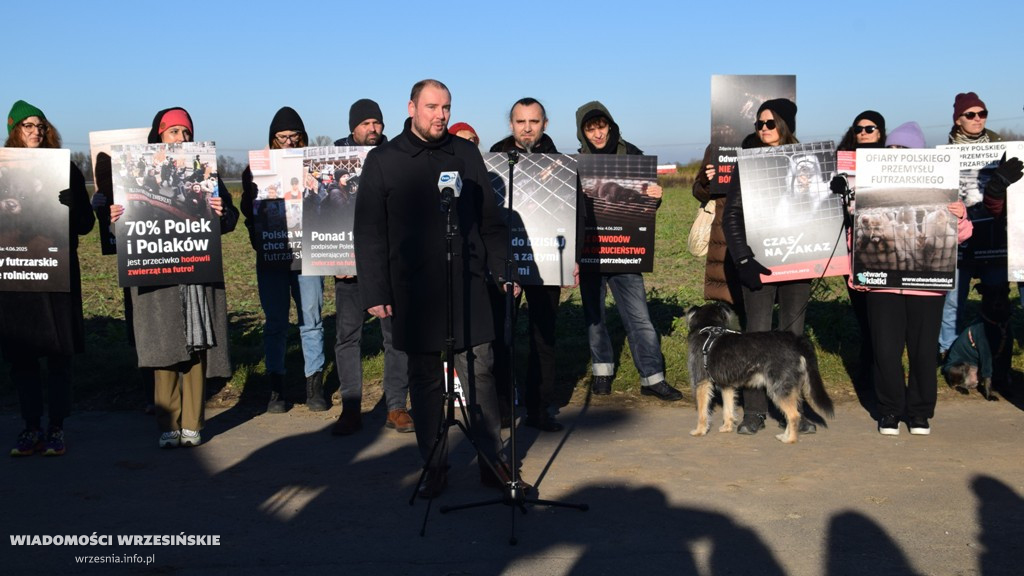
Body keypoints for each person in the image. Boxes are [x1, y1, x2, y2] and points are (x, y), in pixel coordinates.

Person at [355, 79, 514, 498]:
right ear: (411, 108)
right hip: (413, 291)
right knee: (424, 381)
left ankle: (491, 462)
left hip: (468, 286)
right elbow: (369, 230)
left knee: (478, 373)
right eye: (431, 107)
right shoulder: (384, 160)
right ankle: (435, 464)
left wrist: (503, 269)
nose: (440, 115)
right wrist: (375, 290)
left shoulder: (465, 154)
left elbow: (489, 220)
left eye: (446, 107)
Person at [109, 107, 238, 448]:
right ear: (160, 136)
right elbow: (119, 232)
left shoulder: (206, 171)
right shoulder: (134, 174)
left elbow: (230, 219)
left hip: (196, 271)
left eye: (185, 132)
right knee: (163, 347)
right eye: (174, 132)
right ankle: (168, 421)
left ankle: (193, 422)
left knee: (197, 346)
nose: (181, 138)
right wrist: (114, 218)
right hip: (157, 274)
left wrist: (222, 213)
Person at [841, 121, 973, 434]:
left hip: (926, 287)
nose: (897, 154)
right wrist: (853, 215)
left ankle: (919, 412)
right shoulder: (869, 192)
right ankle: (889, 410)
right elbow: (854, 241)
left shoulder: (942, 194)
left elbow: (963, 236)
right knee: (885, 350)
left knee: (924, 351)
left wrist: (960, 217)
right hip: (882, 284)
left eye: (905, 149)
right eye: (892, 149)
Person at [3, 100, 95, 456]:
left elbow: (86, 225)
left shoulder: (66, 168)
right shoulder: (2, 171)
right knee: (22, 357)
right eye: (27, 126)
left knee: (60, 354)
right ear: (14, 130)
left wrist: (73, 203)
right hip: (16, 275)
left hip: (57, 271)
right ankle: (30, 427)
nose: (36, 131)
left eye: (40, 125)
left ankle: (57, 426)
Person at [575, 101, 682, 401]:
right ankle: (602, 373)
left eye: (602, 126)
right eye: (590, 129)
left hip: (626, 253)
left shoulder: (632, 155)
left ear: (610, 125)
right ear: (582, 132)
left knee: (640, 319)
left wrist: (655, 196)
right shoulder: (576, 161)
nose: (598, 134)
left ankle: (652, 378)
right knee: (595, 319)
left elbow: (646, 201)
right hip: (590, 253)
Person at [722, 98, 817, 435]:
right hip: (758, 262)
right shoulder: (747, 162)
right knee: (756, 337)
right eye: (759, 124)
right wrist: (743, 258)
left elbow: (819, 210)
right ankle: (755, 412)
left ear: (785, 124)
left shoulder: (808, 161)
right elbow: (730, 216)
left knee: (793, 338)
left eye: (769, 123)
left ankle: (795, 411)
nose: (763, 130)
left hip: (798, 261)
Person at [329, 98, 413, 436]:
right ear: (353, 127)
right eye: (365, 123)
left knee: (395, 338)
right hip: (347, 269)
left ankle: (396, 407)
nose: (373, 128)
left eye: (376, 122)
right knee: (347, 337)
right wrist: (334, 258)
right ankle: (351, 408)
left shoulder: (394, 154)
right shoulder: (333, 157)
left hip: (386, 264)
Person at [240, 107, 327, 414]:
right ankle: (276, 388)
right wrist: (257, 238)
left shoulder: (315, 167)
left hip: (308, 256)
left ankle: (313, 385)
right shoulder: (254, 169)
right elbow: (247, 212)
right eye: (282, 137)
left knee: (312, 321)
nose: (289, 142)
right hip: (273, 257)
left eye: (294, 136)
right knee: (275, 324)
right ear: (272, 139)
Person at [488, 97, 565, 432]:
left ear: (544, 124)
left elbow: (570, 212)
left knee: (543, 336)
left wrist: (570, 258)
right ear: (511, 124)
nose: (527, 128)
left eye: (534, 121)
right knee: (502, 335)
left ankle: (539, 407)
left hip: (547, 259)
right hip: (507, 259)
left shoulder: (560, 162)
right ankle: (503, 407)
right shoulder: (495, 155)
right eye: (521, 122)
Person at [939, 92, 1006, 359]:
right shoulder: (945, 154)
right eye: (970, 114)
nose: (978, 119)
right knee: (953, 301)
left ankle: (996, 351)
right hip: (961, 239)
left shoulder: (1003, 147)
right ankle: (947, 351)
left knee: (996, 297)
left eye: (982, 114)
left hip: (995, 237)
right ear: (958, 120)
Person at [835, 110, 887, 388]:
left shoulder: (894, 159)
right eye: (859, 129)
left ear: (881, 133)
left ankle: (879, 366)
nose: (864, 133)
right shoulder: (841, 160)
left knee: (880, 313)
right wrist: (834, 191)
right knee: (862, 312)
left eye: (871, 128)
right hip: (852, 248)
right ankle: (868, 363)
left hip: (884, 247)